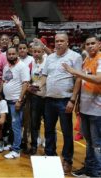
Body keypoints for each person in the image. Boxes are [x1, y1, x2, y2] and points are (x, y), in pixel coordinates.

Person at [39, 32, 82, 174]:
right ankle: (50, 156)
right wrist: (39, 85)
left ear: (67, 42)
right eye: (57, 41)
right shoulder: (50, 57)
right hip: (49, 100)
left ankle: (67, 159)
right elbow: (45, 75)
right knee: (49, 130)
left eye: (62, 41)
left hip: (65, 100)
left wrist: (73, 100)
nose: (59, 43)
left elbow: (78, 79)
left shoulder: (75, 57)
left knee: (67, 132)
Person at [62, 35, 101, 177]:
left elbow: (98, 79)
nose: (90, 46)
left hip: (97, 110)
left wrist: (75, 71)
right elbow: (82, 82)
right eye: (88, 44)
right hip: (85, 108)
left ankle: (97, 172)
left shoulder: (100, 59)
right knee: (89, 142)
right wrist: (77, 101)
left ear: (99, 44)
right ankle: (89, 168)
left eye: (93, 43)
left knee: (97, 144)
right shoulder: (87, 60)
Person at [0, 47, 30, 159]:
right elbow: (4, 81)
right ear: (6, 55)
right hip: (7, 100)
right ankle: (12, 144)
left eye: (13, 54)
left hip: (15, 101)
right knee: (11, 125)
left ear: (17, 54)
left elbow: (25, 84)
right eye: (9, 54)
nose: (11, 56)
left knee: (16, 126)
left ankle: (16, 150)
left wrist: (20, 100)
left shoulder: (22, 66)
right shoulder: (6, 66)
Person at [28, 43, 47, 155]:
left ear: (43, 52)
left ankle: (49, 147)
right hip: (35, 97)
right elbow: (32, 79)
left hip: (47, 97)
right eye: (34, 51)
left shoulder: (47, 61)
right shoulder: (32, 63)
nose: (36, 54)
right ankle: (34, 145)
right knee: (34, 123)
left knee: (49, 123)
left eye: (39, 51)